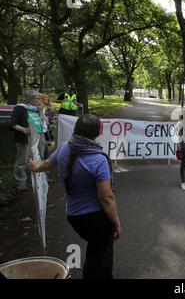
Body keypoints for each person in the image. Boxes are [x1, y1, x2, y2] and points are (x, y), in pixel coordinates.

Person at [27, 114, 121, 279]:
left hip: (74, 216)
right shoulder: (98, 160)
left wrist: (35, 167)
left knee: (97, 250)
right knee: (98, 257)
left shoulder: (64, 147)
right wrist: (116, 222)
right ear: (98, 132)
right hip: (96, 219)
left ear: (76, 129)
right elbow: (106, 198)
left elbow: (47, 164)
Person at [10, 90, 47, 192]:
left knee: (40, 157)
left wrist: (41, 111)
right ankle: (21, 182)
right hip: (25, 137)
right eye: (38, 98)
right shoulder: (20, 108)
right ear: (30, 99)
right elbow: (13, 124)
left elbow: (46, 121)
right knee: (22, 160)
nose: (40, 100)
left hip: (40, 135)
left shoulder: (37, 108)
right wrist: (24, 130)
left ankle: (41, 178)